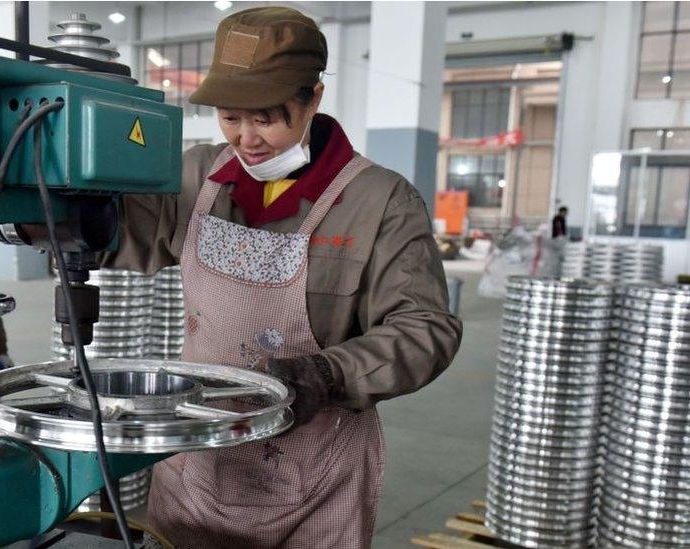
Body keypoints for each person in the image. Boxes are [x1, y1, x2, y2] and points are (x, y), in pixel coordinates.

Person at [105, 7, 462, 548]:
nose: (247, 139)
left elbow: (426, 328)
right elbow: (120, 235)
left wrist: (330, 373)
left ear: (313, 98)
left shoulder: (378, 201)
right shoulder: (196, 175)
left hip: (313, 474)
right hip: (199, 461)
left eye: (266, 118)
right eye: (230, 117)